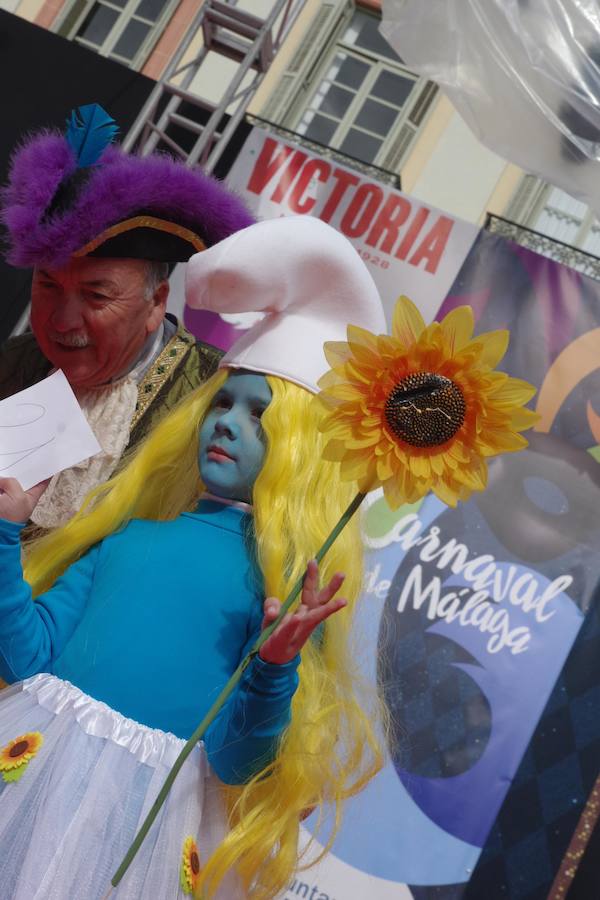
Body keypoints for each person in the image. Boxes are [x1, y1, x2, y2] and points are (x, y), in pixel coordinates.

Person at [0, 216, 386, 899]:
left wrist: (274, 665)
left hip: (139, 838)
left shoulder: (281, 598)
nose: (228, 422)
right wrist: (6, 536)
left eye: (260, 415)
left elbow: (237, 762)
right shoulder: (130, 537)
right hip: (27, 775)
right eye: (224, 401)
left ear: (300, 449)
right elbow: (22, 655)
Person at [0, 104, 254, 530]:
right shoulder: (12, 366)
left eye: (96, 295)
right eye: (47, 286)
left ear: (156, 303)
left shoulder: (215, 397)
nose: (62, 321)